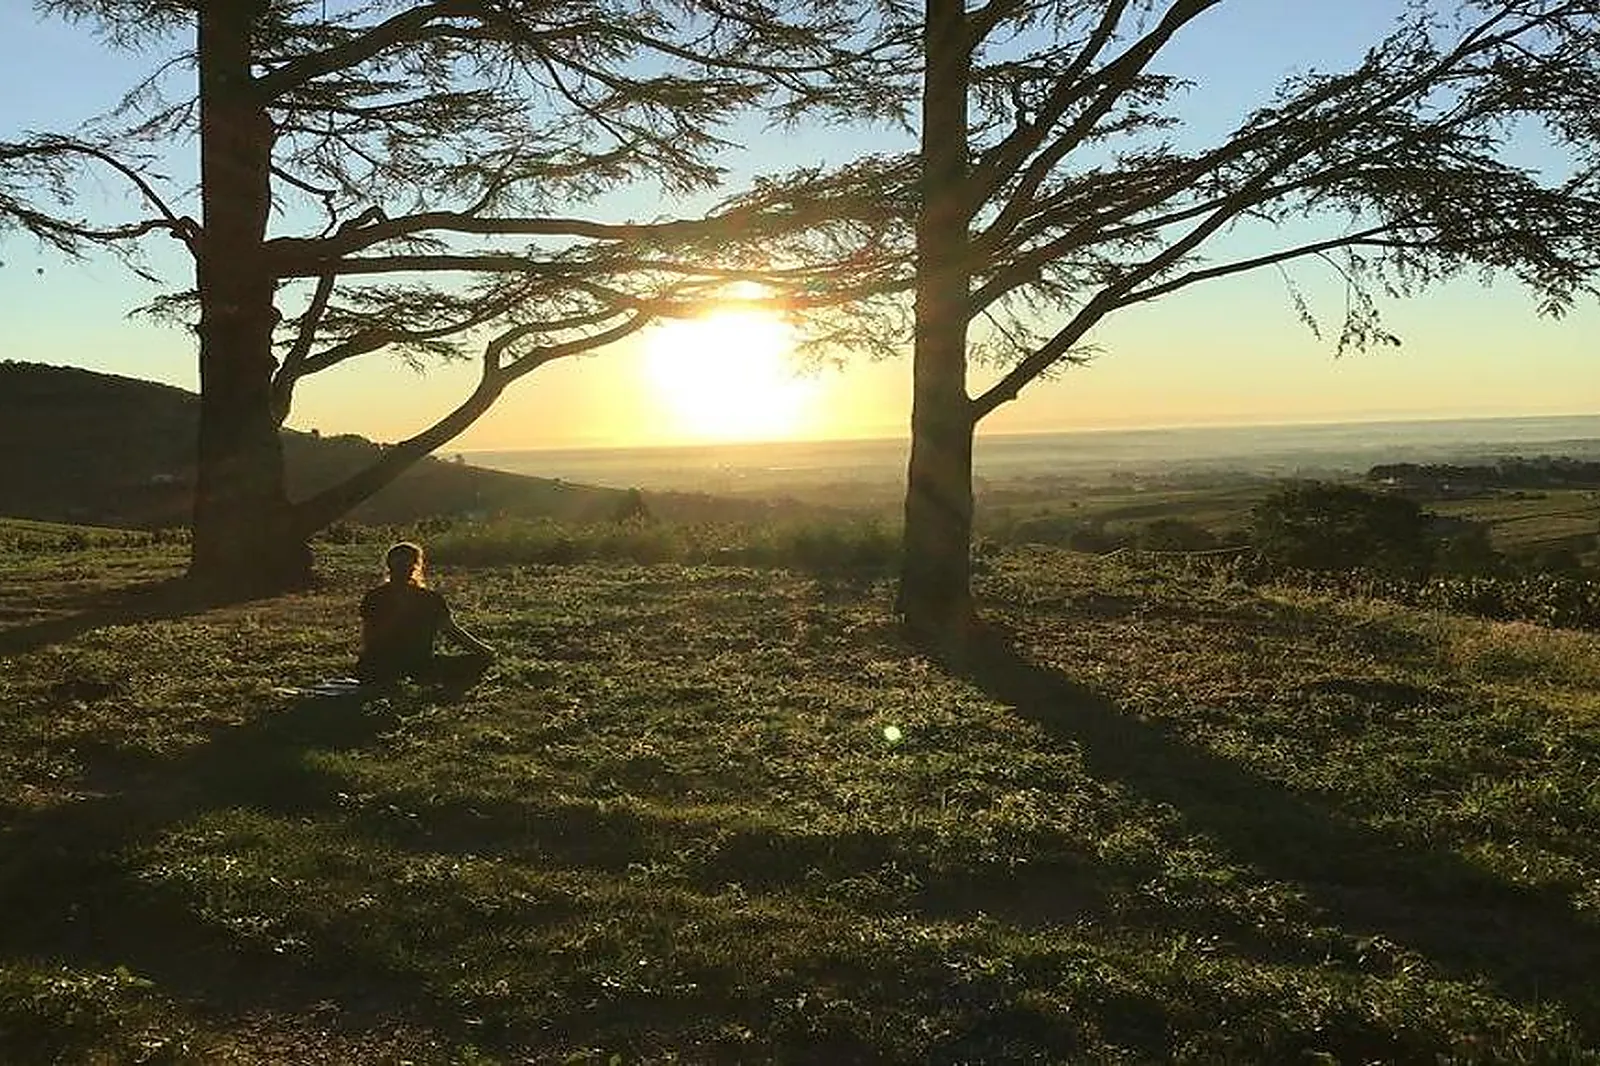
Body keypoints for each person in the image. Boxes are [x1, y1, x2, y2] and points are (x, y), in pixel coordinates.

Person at [357, 541, 494, 685]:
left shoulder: (374, 596)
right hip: (419, 665)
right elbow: (452, 633)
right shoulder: (430, 598)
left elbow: (368, 639)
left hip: (377, 667)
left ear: (389, 566)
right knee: (476, 661)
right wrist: (485, 651)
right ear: (416, 566)